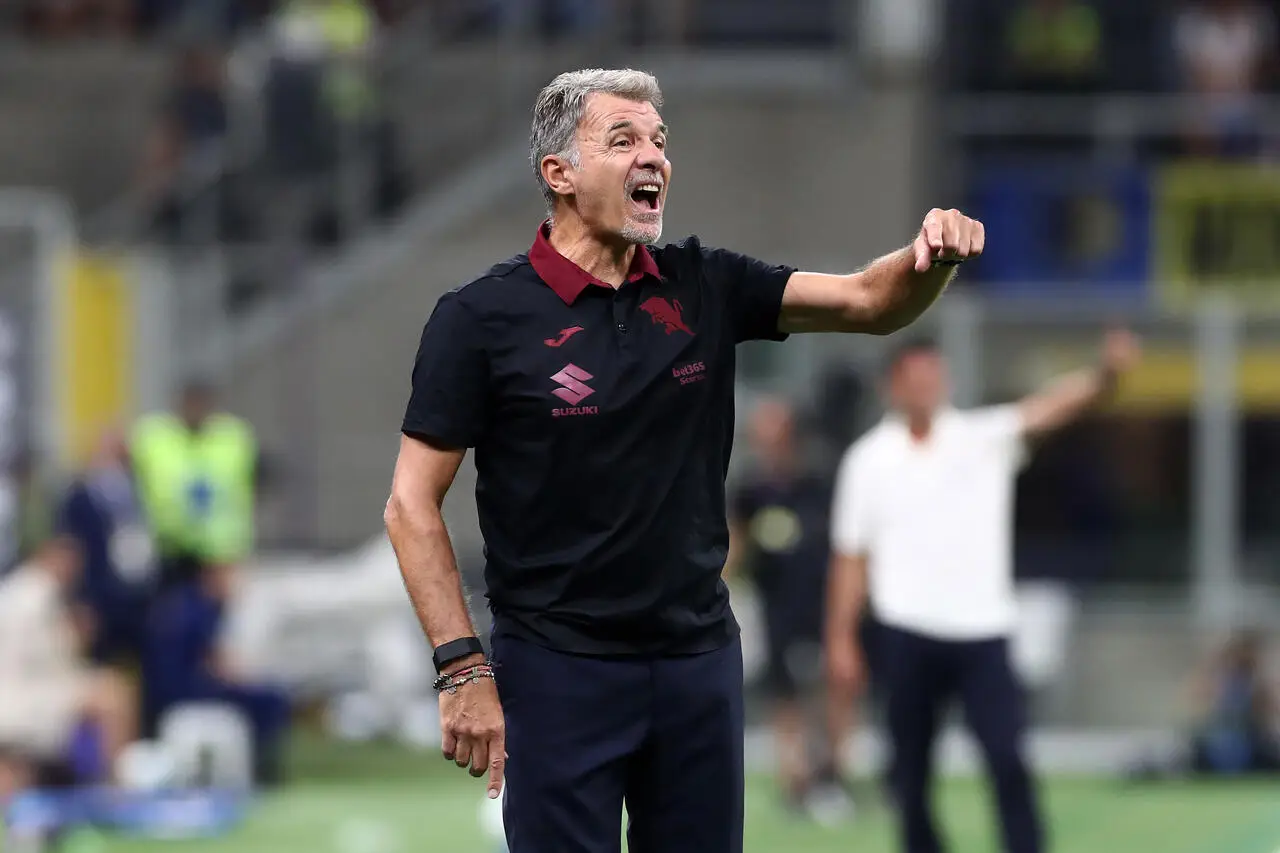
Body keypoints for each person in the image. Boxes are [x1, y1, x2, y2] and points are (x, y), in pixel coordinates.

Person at [384, 67, 985, 853]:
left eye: (661, 142)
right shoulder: (479, 319)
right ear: (558, 173)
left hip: (695, 664)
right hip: (558, 670)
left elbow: (869, 303)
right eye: (623, 139)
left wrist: (929, 258)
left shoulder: (705, 283)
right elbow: (409, 505)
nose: (654, 158)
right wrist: (462, 667)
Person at [824, 331, 1140, 853]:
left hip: (982, 631)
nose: (928, 387)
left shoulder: (979, 437)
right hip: (905, 630)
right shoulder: (868, 461)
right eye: (916, 378)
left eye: (935, 377)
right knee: (909, 771)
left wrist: (1105, 376)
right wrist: (840, 639)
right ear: (893, 386)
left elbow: (1050, 409)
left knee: (1006, 757)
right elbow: (851, 559)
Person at [725, 398, 854, 822]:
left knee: (828, 687)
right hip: (775, 605)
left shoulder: (817, 482)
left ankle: (832, 773)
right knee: (783, 694)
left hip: (820, 603)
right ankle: (794, 778)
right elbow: (737, 543)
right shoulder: (751, 488)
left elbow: (842, 543)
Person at [0, 538, 136, 802]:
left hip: (27, 687)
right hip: (24, 693)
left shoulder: (19, 589)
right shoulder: (35, 593)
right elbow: (47, 659)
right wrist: (76, 635)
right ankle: (112, 790)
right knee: (114, 695)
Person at [56, 428, 156, 668]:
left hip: (137, 599)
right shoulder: (80, 499)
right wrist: (79, 602)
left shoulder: (141, 495)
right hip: (98, 601)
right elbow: (70, 551)